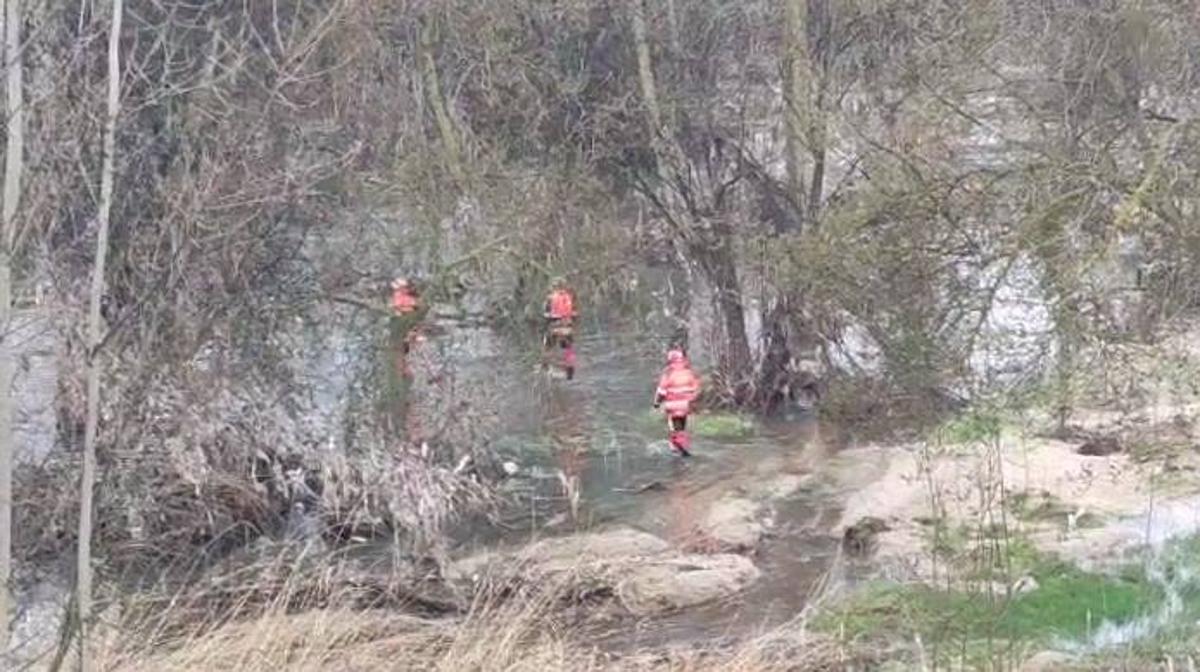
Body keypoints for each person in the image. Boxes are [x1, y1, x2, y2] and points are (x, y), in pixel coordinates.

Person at [653, 348, 701, 457]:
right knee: (682, 425)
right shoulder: (689, 373)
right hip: (686, 405)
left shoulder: (668, 374)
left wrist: (657, 403)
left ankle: (677, 446)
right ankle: (683, 444)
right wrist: (693, 401)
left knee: (674, 426)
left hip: (672, 405)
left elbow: (661, 391)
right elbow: (696, 389)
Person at [543, 277, 577, 379]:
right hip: (567, 327)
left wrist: (550, 316)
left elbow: (546, 314)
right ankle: (570, 371)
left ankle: (546, 367)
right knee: (568, 348)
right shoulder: (569, 297)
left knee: (547, 347)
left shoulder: (550, 298)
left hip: (555, 327)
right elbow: (574, 313)